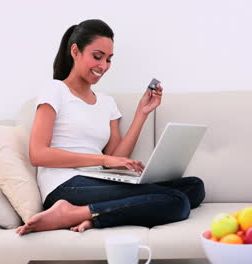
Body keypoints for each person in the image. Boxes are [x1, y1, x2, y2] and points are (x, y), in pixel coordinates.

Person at [16, 19, 205, 235]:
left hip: (98, 180)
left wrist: (141, 114)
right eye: (97, 57)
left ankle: (89, 214)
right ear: (75, 51)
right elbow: (38, 154)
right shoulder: (55, 90)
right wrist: (103, 159)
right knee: (177, 201)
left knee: (194, 187)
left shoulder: (107, 102)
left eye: (108, 59)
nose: (103, 66)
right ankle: (70, 212)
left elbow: (115, 158)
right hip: (65, 185)